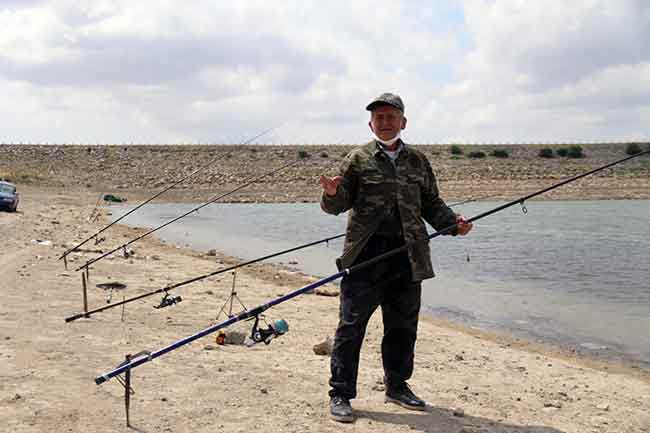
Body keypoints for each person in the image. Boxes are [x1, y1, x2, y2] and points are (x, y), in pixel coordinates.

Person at [319, 93, 473, 423]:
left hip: (408, 254)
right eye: (380, 117)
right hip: (365, 255)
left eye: (392, 117)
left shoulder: (418, 161)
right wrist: (331, 192)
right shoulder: (357, 158)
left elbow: (432, 204)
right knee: (351, 326)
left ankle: (398, 385)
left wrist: (453, 225)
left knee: (402, 326)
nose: (386, 122)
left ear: (403, 122)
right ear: (371, 124)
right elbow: (337, 205)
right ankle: (341, 393)